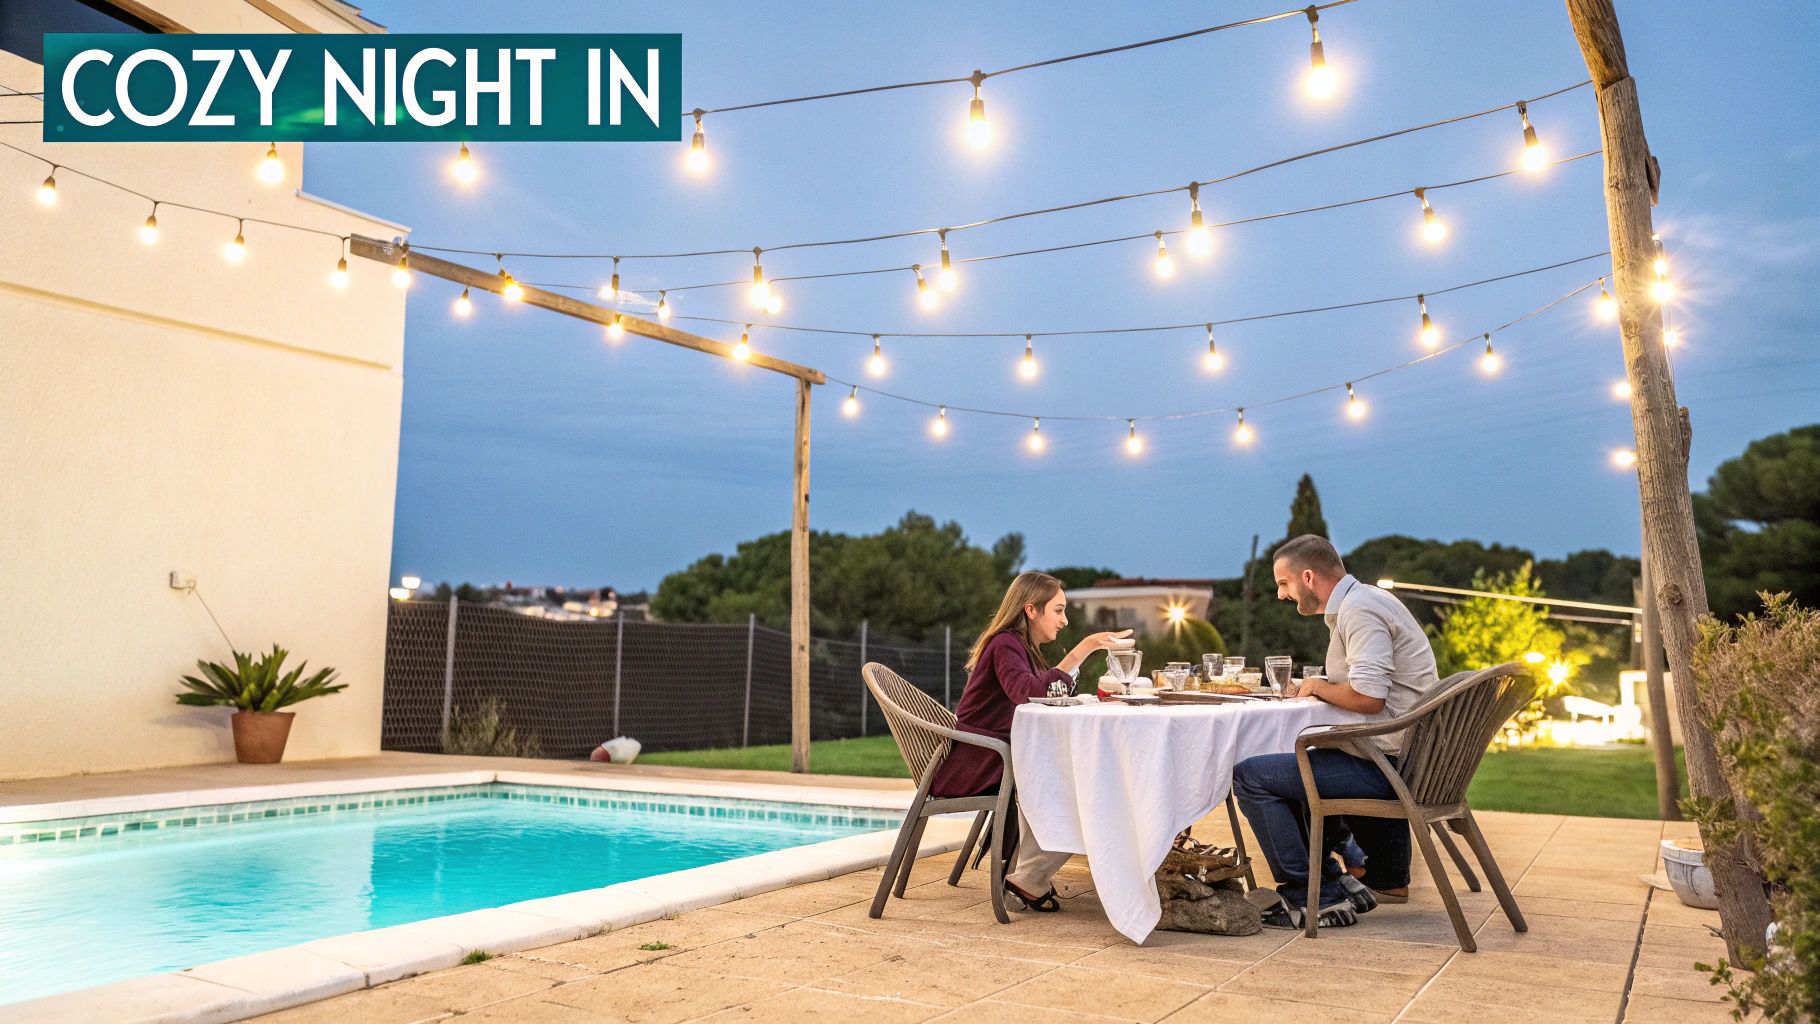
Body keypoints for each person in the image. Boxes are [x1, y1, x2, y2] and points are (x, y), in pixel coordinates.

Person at [1231, 534, 1441, 929]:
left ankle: (1312, 897)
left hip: (1387, 765)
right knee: (1286, 766)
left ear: (1307, 577)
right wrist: (1324, 683)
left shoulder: (1359, 610)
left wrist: (1316, 686)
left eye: (1283, 583)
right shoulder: (1366, 602)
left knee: (1251, 776)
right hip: (1399, 756)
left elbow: (1368, 697)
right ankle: (1332, 880)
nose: (1281, 595)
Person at [928, 571, 1130, 912]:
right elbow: (1030, 694)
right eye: (1059, 610)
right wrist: (1085, 648)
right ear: (1031, 610)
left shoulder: (1020, 648)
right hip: (978, 761)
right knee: (1086, 783)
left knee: (1083, 776)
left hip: (993, 753)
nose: (1065, 620)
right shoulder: (1005, 644)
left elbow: (1041, 697)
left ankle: (1032, 873)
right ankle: (1031, 876)